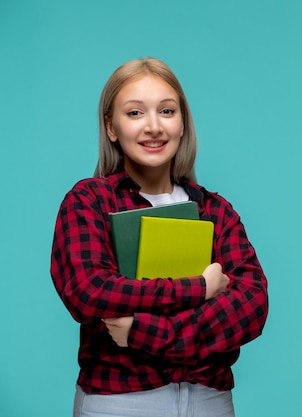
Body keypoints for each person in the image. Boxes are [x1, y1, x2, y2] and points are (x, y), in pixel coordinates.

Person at [50, 57, 269, 417]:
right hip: (119, 404)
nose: (154, 126)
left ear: (183, 123)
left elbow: (251, 306)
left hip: (210, 403)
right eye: (135, 113)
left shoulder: (215, 210)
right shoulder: (89, 201)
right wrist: (199, 288)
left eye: (167, 111)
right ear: (111, 128)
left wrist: (144, 331)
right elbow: (88, 291)